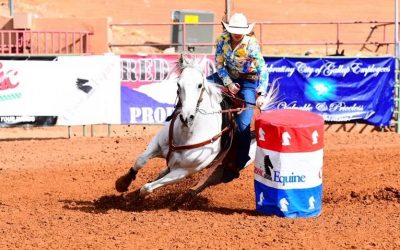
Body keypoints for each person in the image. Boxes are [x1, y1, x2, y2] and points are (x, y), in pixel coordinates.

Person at [207, 12, 269, 182]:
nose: (236, 33)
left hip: (248, 82)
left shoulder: (251, 44)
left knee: (243, 125)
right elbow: (219, 64)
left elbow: (262, 69)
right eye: (233, 30)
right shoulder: (222, 40)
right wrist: (227, 82)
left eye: (239, 31)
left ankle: (239, 162)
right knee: (200, 88)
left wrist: (261, 92)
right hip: (226, 76)